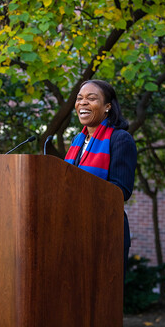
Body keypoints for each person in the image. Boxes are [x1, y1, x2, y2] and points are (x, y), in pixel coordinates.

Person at [64, 80, 137, 279]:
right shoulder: (77, 142)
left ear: (108, 107)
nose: (83, 103)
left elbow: (120, 190)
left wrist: (79, 190)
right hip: (72, 231)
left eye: (91, 98)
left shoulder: (120, 139)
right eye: (79, 99)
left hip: (104, 233)